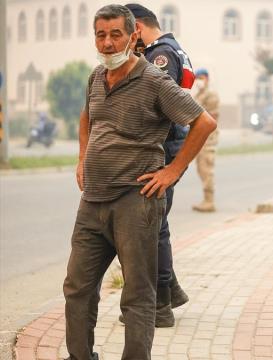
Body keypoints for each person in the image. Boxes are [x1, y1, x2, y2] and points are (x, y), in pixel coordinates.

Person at [63, 5, 216, 360]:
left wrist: (172, 170)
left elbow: (203, 122)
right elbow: (87, 117)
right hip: (93, 202)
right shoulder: (97, 77)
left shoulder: (153, 79)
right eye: (101, 35)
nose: (108, 43)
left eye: (116, 34)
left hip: (135, 202)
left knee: (137, 294)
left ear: (133, 37)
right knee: (77, 288)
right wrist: (83, 157)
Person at [123, 3, 194, 327]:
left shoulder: (160, 56)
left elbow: (153, 106)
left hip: (162, 149)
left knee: (153, 227)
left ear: (136, 27)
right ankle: (170, 292)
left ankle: (160, 305)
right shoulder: (168, 49)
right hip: (167, 146)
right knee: (156, 223)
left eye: (123, 32)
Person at [191, 68, 220, 212]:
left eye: (201, 78)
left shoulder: (211, 95)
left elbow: (212, 117)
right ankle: (206, 199)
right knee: (201, 168)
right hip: (199, 135)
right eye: (197, 78)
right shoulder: (200, 94)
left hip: (208, 137)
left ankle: (209, 201)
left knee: (206, 168)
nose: (199, 81)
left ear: (207, 78)